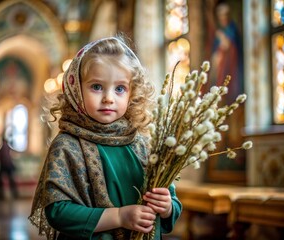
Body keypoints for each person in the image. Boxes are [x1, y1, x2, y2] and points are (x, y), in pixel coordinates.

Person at [29, 36, 182, 240]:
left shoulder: (144, 144)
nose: (109, 98)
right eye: (97, 87)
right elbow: (57, 211)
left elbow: (171, 200)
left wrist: (167, 207)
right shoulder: (67, 144)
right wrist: (118, 216)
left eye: (120, 88)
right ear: (76, 89)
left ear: (132, 93)